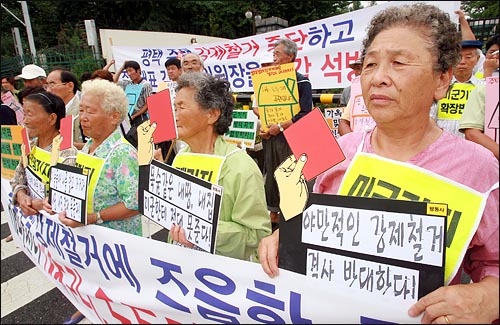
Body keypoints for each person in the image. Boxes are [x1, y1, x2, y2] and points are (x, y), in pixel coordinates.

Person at [258, 3, 499, 324]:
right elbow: (306, 223)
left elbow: (492, 264)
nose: (378, 78)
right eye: (370, 64)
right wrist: (284, 240)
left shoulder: (478, 167)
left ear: (442, 80)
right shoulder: (337, 152)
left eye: (398, 63)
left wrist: (487, 297)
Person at [44, 79, 143, 324]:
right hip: (90, 245)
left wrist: (94, 217)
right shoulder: (88, 146)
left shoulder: (122, 153)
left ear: (113, 117)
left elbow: (134, 203)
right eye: (82, 110)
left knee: (120, 305)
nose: (83, 116)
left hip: (116, 249)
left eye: (91, 110)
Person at [166, 72, 271, 261]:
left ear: (212, 114)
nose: (174, 115)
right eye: (174, 107)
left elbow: (257, 236)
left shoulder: (241, 168)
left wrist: (201, 231)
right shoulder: (181, 157)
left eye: (181, 107)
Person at [260, 38, 313, 227]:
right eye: (273, 54)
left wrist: (281, 126)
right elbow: (259, 108)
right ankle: (273, 214)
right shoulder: (267, 80)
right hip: (270, 137)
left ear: (290, 57)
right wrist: (265, 126)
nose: (274, 58)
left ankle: (291, 217)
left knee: (288, 174)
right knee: (271, 175)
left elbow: (306, 113)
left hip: (290, 138)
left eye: (278, 54)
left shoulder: (302, 81)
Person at [10, 91, 78, 218]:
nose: (25, 121)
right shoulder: (29, 146)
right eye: (24, 114)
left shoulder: (67, 153)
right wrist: (22, 196)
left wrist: (40, 204)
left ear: (52, 118)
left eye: (29, 114)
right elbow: (17, 179)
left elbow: (66, 199)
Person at [429, 39, 484, 138]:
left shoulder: (483, 88)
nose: (462, 62)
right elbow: (430, 117)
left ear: (477, 59)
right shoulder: (438, 85)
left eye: (468, 57)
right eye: (458, 57)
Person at [459, 34, 500, 160]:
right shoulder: (483, 87)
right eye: (492, 52)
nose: (462, 61)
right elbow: (472, 133)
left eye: (468, 57)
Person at [45, 68, 85, 149]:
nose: (48, 90)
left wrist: (70, 146)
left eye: (52, 84)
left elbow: (95, 144)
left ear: (70, 86)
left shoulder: (83, 112)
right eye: (47, 85)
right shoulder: (50, 111)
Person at [250, 52, 275, 174]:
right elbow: (255, 107)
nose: (266, 68)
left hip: (285, 128)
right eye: (263, 65)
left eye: (268, 64)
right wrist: (265, 116)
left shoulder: (287, 79)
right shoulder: (259, 83)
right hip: (267, 128)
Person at [157, 57, 183, 164]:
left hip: (182, 124)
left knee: (182, 150)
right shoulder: (164, 87)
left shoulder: (185, 85)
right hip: (169, 126)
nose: (170, 71)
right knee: (174, 152)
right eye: (168, 69)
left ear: (180, 70)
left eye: (173, 68)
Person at [114, 60, 153, 126]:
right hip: (128, 117)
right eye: (127, 71)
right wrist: (122, 68)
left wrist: (134, 116)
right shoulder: (128, 84)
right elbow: (114, 81)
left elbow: (147, 104)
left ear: (138, 71)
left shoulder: (146, 85)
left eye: (131, 70)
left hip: (140, 117)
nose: (129, 74)